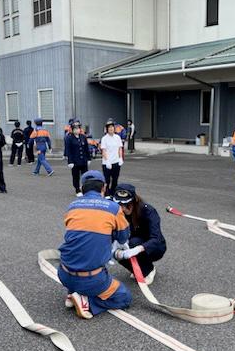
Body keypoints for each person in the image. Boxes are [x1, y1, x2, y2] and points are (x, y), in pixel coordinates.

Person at [58, 170, 133, 319]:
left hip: (64, 273)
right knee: (124, 297)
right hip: (92, 279)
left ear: (82, 188)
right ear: (104, 187)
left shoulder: (72, 206)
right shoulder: (113, 208)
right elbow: (123, 237)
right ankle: (86, 301)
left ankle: (72, 292)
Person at [112, 184, 166, 285]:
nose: (123, 208)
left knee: (133, 243)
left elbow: (156, 238)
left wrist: (139, 249)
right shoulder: (117, 211)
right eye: (119, 204)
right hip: (131, 242)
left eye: (127, 204)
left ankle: (149, 270)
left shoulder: (148, 211)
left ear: (134, 201)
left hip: (154, 247)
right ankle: (139, 269)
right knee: (117, 250)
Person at [64, 119, 91, 196]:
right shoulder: (69, 138)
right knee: (76, 176)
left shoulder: (83, 137)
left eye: (78, 128)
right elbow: (68, 150)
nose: (77, 130)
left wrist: (88, 158)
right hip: (75, 161)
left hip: (83, 160)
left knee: (85, 176)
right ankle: (77, 190)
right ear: (72, 129)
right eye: (75, 128)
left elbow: (86, 148)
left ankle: (84, 188)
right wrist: (70, 161)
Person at [100, 119, 124, 196]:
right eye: (109, 127)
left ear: (114, 128)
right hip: (107, 163)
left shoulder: (117, 137)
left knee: (115, 179)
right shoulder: (104, 138)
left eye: (112, 127)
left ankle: (113, 193)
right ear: (107, 129)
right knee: (107, 180)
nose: (111, 128)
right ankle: (106, 193)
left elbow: (120, 148)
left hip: (116, 162)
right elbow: (104, 150)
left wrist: (120, 158)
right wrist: (107, 161)